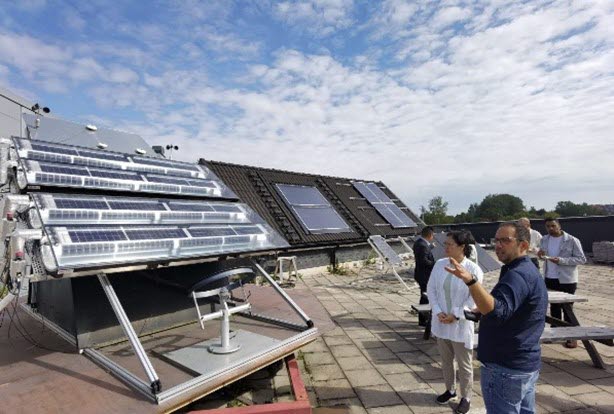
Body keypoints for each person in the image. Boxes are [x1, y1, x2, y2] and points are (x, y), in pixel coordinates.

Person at [445, 222, 548, 414]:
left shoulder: (518, 275)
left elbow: (496, 312)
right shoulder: (523, 269)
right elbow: (508, 308)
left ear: (523, 245)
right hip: (524, 363)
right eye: (496, 240)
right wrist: (480, 310)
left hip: (505, 367)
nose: (498, 245)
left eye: (505, 241)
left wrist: (471, 281)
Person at [427, 230, 483, 414]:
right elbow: (432, 289)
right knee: (445, 360)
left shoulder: (473, 270)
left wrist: (456, 315)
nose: (446, 247)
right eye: (446, 244)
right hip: (441, 321)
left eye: (450, 244)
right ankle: (450, 390)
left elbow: (473, 298)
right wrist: (438, 311)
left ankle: (466, 397)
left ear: (462, 247)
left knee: (464, 364)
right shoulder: (439, 265)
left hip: (460, 324)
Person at [537, 218, 586, 348]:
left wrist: (561, 260)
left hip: (567, 279)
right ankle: (555, 333)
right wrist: (540, 255)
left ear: (559, 225)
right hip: (549, 277)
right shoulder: (544, 239)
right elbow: (542, 255)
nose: (550, 228)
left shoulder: (572, 240)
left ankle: (571, 337)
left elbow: (581, 259)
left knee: (568, 307)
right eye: (548, 226)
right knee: (554, 307)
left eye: (553, 226)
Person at [413, 226, 435, 326]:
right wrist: (435, 263)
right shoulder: (422, 245)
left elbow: (422, 253)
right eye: (432, 235)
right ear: (430, 235)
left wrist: (430, 247)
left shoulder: (419, 243)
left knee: (424, 296)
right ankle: (423, 319)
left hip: (420, 274)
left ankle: (423, 319)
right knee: (425, 297)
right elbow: (424, 261)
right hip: (424, 275)